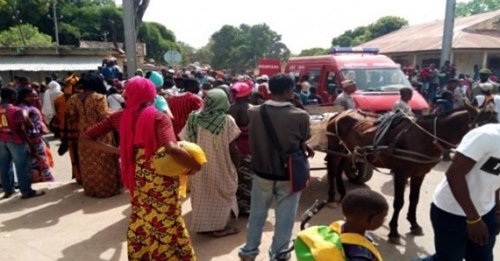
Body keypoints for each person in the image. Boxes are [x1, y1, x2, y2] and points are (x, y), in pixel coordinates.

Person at [80, 76, 201, 260]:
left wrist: (117, 150)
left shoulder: (118, 117)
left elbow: (85, 138)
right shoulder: (159, 117)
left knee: (141, 215)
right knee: (166, 218)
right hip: (161, 174)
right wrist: (195, 165)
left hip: (134, 172)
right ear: (150, 94)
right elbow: (172, 148)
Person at [239, 73, 314, 261]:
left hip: (262, 173)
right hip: (288, 174)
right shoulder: (300, 115)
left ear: (269, 89)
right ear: (289, 90)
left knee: (257, 214)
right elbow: (303, 137)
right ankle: (278, 255)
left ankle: (249, 251)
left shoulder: (253, 112)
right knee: (285, 218)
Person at [420, 124, 500, 261]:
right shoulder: (487, 136)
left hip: (486, 212)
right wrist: (473, 219)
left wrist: (497, 211)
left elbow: (495, 180)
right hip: (451, 212)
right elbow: (454, 174)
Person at [180, 88, 241, 236]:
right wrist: (237, 165)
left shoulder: (193, 118)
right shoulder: (227, 120)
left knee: (202, 194)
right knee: (223, 193)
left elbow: (184, 141)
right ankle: (220, 228)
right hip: (221, 164)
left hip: (198, 165)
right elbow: (233, 148)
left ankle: (203, 226)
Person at [67, 72, 121, 197]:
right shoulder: (99, 98)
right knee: (104, 162)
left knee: (88, 163)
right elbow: (104, 117)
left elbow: (72, 117)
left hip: (83, 134)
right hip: (101, 134)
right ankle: (106, 190)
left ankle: (91, 189)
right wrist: (115, 114)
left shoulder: (73, 99)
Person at [0, 87, 45, 199]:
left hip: (2, 140)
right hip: (16, 140)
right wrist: (29, 144)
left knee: (5, 166)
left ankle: (8, 190)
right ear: (13, 96)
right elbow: (21, 129)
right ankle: (26, 191)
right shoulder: (15, 110)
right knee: (22, 166)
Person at [333, 188, 388, 260]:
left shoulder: (338, 226)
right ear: (373, 220)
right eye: (384, 217)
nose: (384, 220)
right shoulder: (361, 256)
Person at [17, 88, 54, 183]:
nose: (34, 98)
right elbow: (24, 115)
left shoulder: (28, 105)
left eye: (35, 95)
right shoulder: (24, 107)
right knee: (40, 160)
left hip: (36, 138)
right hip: (33, 140)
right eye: (31, 96)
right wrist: (31, 125)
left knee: (37, 160)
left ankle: (39, 179)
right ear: (24, 97)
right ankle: (46, 179)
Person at [228, 81, 254, 215]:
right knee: (249, 178)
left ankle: (235, 207)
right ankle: (246, 208)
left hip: (233, 146)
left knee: (234, 176)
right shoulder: (253, 109)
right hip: (250, 147)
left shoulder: (230, 109)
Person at [54, 74, 81, 182]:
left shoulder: (59, 99)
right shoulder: (78, 99)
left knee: (74, 155)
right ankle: (80, 176)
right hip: (75, 131)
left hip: (67, 132)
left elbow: (57, 115)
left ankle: (78, 176)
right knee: (78, 155)